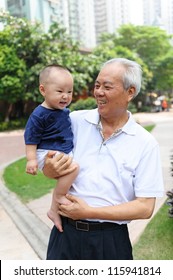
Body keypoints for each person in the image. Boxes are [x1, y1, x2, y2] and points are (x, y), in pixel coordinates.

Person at [43, 58, 164, 260]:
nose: (98, 92)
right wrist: (49, 167)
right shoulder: (73, 121)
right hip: (65, 235)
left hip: (110, 243)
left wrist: (89, 212)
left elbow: (145, 207)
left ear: (130, 92)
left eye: (107, 87)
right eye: (97, 85)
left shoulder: (145, 143)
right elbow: (48, 170)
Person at [24, 64, 79, 232]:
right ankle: (58, 198)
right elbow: (30, 138)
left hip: (61, 150)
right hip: (47, 152)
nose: (65, 96)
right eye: (60, 91)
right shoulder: (39, 114)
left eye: (69, 92)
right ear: (43, 90)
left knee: (73, 171)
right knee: (74, 169)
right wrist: (31, 160)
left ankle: (54, 210)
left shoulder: (63, 111)